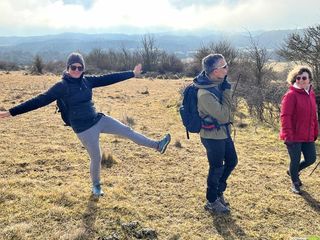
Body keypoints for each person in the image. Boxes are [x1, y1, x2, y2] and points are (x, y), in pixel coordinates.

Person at [0, 52, 171, 197]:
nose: (76, 70)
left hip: (98, 119)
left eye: (79, 67)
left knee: (127, 131)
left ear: (83, 69)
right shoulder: (61, 86)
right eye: (73, 67)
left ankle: (157, 145)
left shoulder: (87, 80)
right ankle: (96, 186)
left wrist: (132, 73)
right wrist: (10, 112)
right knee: (96, 157)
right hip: (84, 129)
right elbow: (40, 100)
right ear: (67, 68)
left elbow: (108, 78)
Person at [194, 53, 238, 214]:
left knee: (232, 161)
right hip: (212, 137)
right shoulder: (205, 94)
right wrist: (227, 92)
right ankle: (212, 200)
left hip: (223, 133)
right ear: (214, 71)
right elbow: (224, 115)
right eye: (224, 66)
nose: (227, 68)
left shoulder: (217, 83)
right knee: (217, 168)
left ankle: (218, 191)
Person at [280, 66, 318, 194]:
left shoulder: (311, 94)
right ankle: (295, 183)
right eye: (298, 78)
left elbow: (314, 116)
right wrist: (288, 135)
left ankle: (292, 171)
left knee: (311, 158)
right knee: (295, 160)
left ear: (309, 79)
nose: (301, 80)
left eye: (304, 78)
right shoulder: (290, 95)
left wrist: (315, 131)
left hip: (308, 134)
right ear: (294, 79)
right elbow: (285, 116)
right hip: (293, 135)